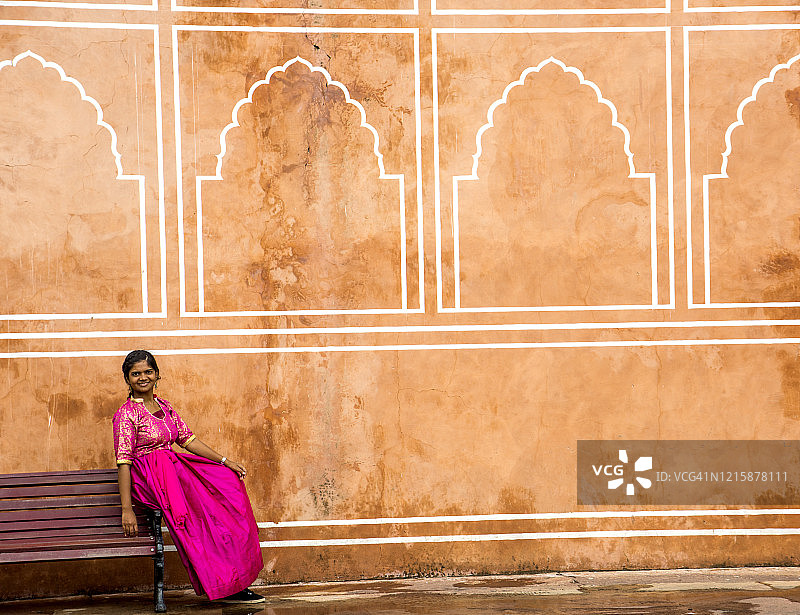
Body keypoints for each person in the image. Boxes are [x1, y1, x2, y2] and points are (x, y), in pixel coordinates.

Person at [113, 350, 265, 604]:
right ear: (127, 379)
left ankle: (234, 582)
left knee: (222, 507)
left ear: (157, 375)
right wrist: (126, 509)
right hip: (150, 480)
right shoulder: (126, 414)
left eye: (148, 372)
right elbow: (124, 461)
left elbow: (187, 439)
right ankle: (224, 584)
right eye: (136, 374)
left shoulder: (165, 406)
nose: (143, 377)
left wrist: (225, 461)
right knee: (199, 524)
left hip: (172, 473)